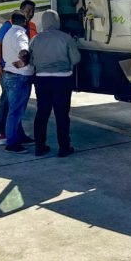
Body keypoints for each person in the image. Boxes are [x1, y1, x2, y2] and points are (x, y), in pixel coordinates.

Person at [30, 10, 81, 157]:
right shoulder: (66, 38)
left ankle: (39, 147)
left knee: (42, 113)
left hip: (42, 79)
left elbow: (31, 60)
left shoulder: (36, 39)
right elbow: (76, 58)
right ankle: (64, 148)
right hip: (62, 79)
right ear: (57, 21)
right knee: (62, 114)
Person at [0, 0, 36, 144]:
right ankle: (2, 133)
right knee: (7, 102)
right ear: (21, 11)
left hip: (24, 70)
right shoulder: (9, 25)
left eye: (32, 11)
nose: (30, 14)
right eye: (27, 10)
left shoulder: (31, 26)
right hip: (11, 70)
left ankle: (18, 133)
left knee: (17, 106)